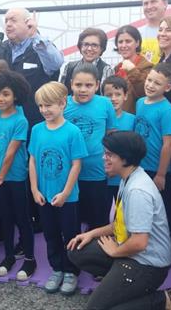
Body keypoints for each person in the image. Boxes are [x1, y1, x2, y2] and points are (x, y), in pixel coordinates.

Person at [67, 131, 171, 310]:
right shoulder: (127, 179)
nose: (104, 158)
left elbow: (139, 242)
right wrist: (90, 233)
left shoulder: (137, 191)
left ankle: (162, 300)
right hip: (131, 252)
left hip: (148, 265)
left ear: (125, 158)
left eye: (109, 154)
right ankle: (122, 286)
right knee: (77, 250)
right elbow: (119, 224)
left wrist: (115, 251)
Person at [28, 81, 87, 295]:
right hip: (44, 195)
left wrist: (65, 193)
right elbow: (33, 161)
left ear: (63, 103)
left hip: (67, 198)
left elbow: (76, 165)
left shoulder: (72, 132)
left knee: (70, 234)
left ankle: (71, 270)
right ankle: (57, 268)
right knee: (50, 233)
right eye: (41, 106)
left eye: (49, 105)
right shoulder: (36, 129)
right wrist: (34, 189)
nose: (44, 110)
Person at [0, 70, 37, 280]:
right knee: (4, 218)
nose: (0, 98)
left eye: (5, 94)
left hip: (13, 178)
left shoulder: (20, 120)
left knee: (22, 218)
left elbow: (10, 153)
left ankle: (30, 259)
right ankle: (8, 256)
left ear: (15, 95)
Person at [64, 63, 117, 230]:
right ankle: (73, 255)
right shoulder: (63, 104)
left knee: (98, 221)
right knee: (72, 221)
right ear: (71, 83)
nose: (83, 89)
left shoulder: (105, 104)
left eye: (89, 85)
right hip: (70, 173)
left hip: (97, 172)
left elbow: (111, 135)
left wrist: (110, 163)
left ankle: (97, 255)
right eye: (78, 85)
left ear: (97, 84)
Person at [134, 64, 171, 237]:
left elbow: (168, 144)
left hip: (157, 169)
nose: (150, 85)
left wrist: (161, 174)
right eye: (149, 80)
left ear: (167, 87)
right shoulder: (139, 102)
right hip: (139, 166)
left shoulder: (167, 110)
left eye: (157, 83)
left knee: (165, 208)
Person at [0, 8, 64, 127]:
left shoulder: (41, 46)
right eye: (6, 21)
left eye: (13, 20)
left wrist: (35, 36)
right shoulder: (1, 48)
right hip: (6, 121)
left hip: (36, 121)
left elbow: (56, 64)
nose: (8, 24)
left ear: (28, 23)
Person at [102, 76, 136, 199]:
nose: (113, 99)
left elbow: (134, 149)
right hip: (102, 179)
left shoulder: (132, 120)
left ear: (125, 96)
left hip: (123, 179)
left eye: (118, 94)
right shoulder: (100, 120)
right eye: (108, 95)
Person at [58, 27, 114, 93]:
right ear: (80, 46)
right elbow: (60, 94)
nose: (89, 49)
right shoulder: (69, 67)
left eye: (94, 45)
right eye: (86, 44)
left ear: (102, 48)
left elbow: (108, 97)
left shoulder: (106, 70)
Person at [112, 25, 153, 113]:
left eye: (128, 41)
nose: (123, 45)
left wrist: (132, 70)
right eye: (120, 42)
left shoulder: (147, 67)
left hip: (136, 119)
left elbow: (144, 93)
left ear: (137, 43)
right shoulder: (117, 68)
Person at [140, 0, 168, 64]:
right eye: (145, 3)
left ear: (165, 4)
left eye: (153, 2)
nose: (149, 7)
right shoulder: (137, 34)